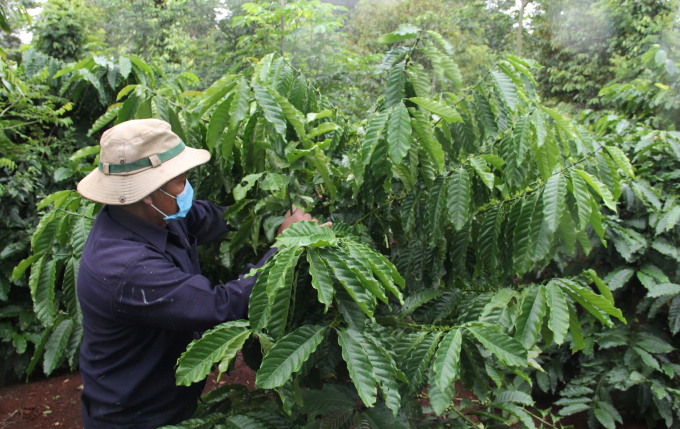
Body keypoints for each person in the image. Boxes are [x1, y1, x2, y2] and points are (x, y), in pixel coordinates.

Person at [75, 119, 324, 428]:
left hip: (171, 399)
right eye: (180, 179)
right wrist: (287, 246)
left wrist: (278, 222)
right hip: (135, 417)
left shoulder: (158, 213)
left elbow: (217, 219)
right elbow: (219, 307)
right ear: (149, 192)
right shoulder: (123, 266)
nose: (187, 187)